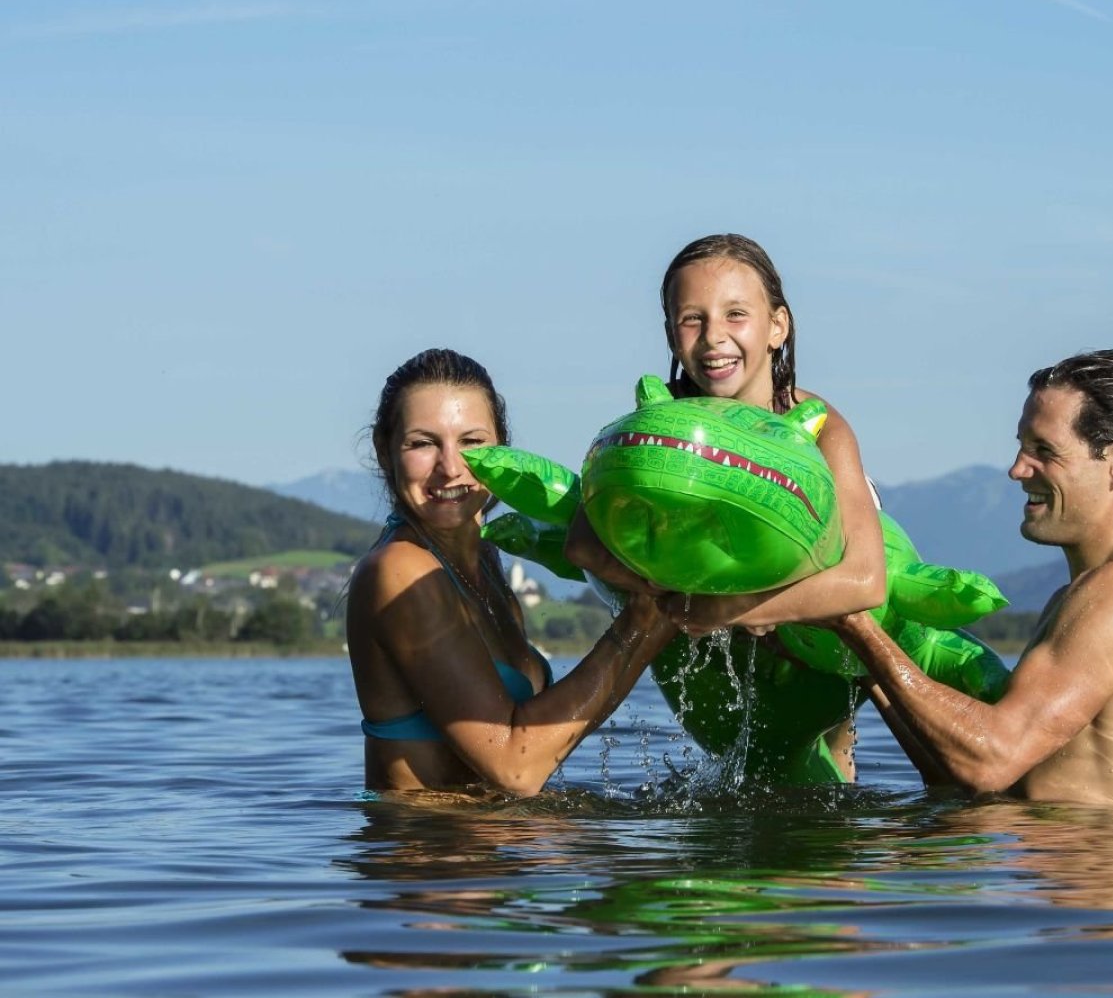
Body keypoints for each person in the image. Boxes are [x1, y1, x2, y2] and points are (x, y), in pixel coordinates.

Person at [564, 233, 888, 776]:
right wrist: (683, 595)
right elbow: (582, 543)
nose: (714, 338)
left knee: (822, 791)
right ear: (671, 334)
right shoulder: (664, 430)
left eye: (736, 314)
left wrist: (733, 607)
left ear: (776, 326)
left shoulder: (822, 429)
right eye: (692, 319)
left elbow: (866, 581)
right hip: (708, 651)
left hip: (813, 671)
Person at [831, 349, 1113, 809]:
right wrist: (860, 660)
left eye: (1043, 450)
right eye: (1021, 447)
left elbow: (991, 760)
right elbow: (977, 782)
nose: (1017, 469)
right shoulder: (1080, 595)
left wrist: (856, 624)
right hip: (1050, 869)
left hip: (1101, 874)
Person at [346, 348, 678, 795]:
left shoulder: (483, 555)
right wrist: (645, 622)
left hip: (496, 856)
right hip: (427, 856)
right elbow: (514, 766)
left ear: (502, 447)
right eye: (423, 443)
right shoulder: (400, 569)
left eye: (472, 442)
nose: (450, 467)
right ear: (385, 452)